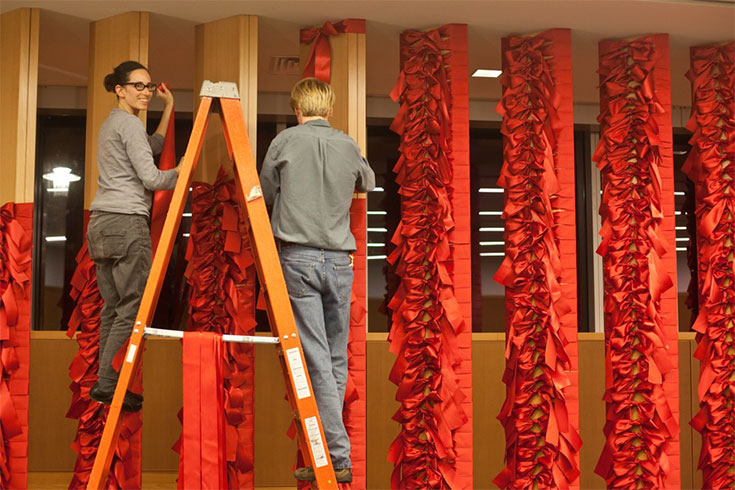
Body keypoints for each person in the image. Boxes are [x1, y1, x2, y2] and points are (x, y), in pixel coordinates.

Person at [260, 77, 375, 484]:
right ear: (329, 110)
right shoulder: (347, 144)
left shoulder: (285, 142)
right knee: (334, 358)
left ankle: (337, 456)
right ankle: (329, 452)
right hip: (341, 262)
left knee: (315, 360)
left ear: (297, 109)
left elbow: (266, 194)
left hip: (299, 259)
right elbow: (368, 183)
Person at [86, 61, 179, 412]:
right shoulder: (128, 124)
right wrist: (181, 171)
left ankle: (105, 383)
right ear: (119, 90)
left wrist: (168, 107)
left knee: (114, 308)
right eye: (137, 86)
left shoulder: (113, 124)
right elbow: (153, 178)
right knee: (133, 307)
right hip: (126, 224)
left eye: (148, 86)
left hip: (100, 224)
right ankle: (109, 384)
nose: (145, 92)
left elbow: (151, 145)